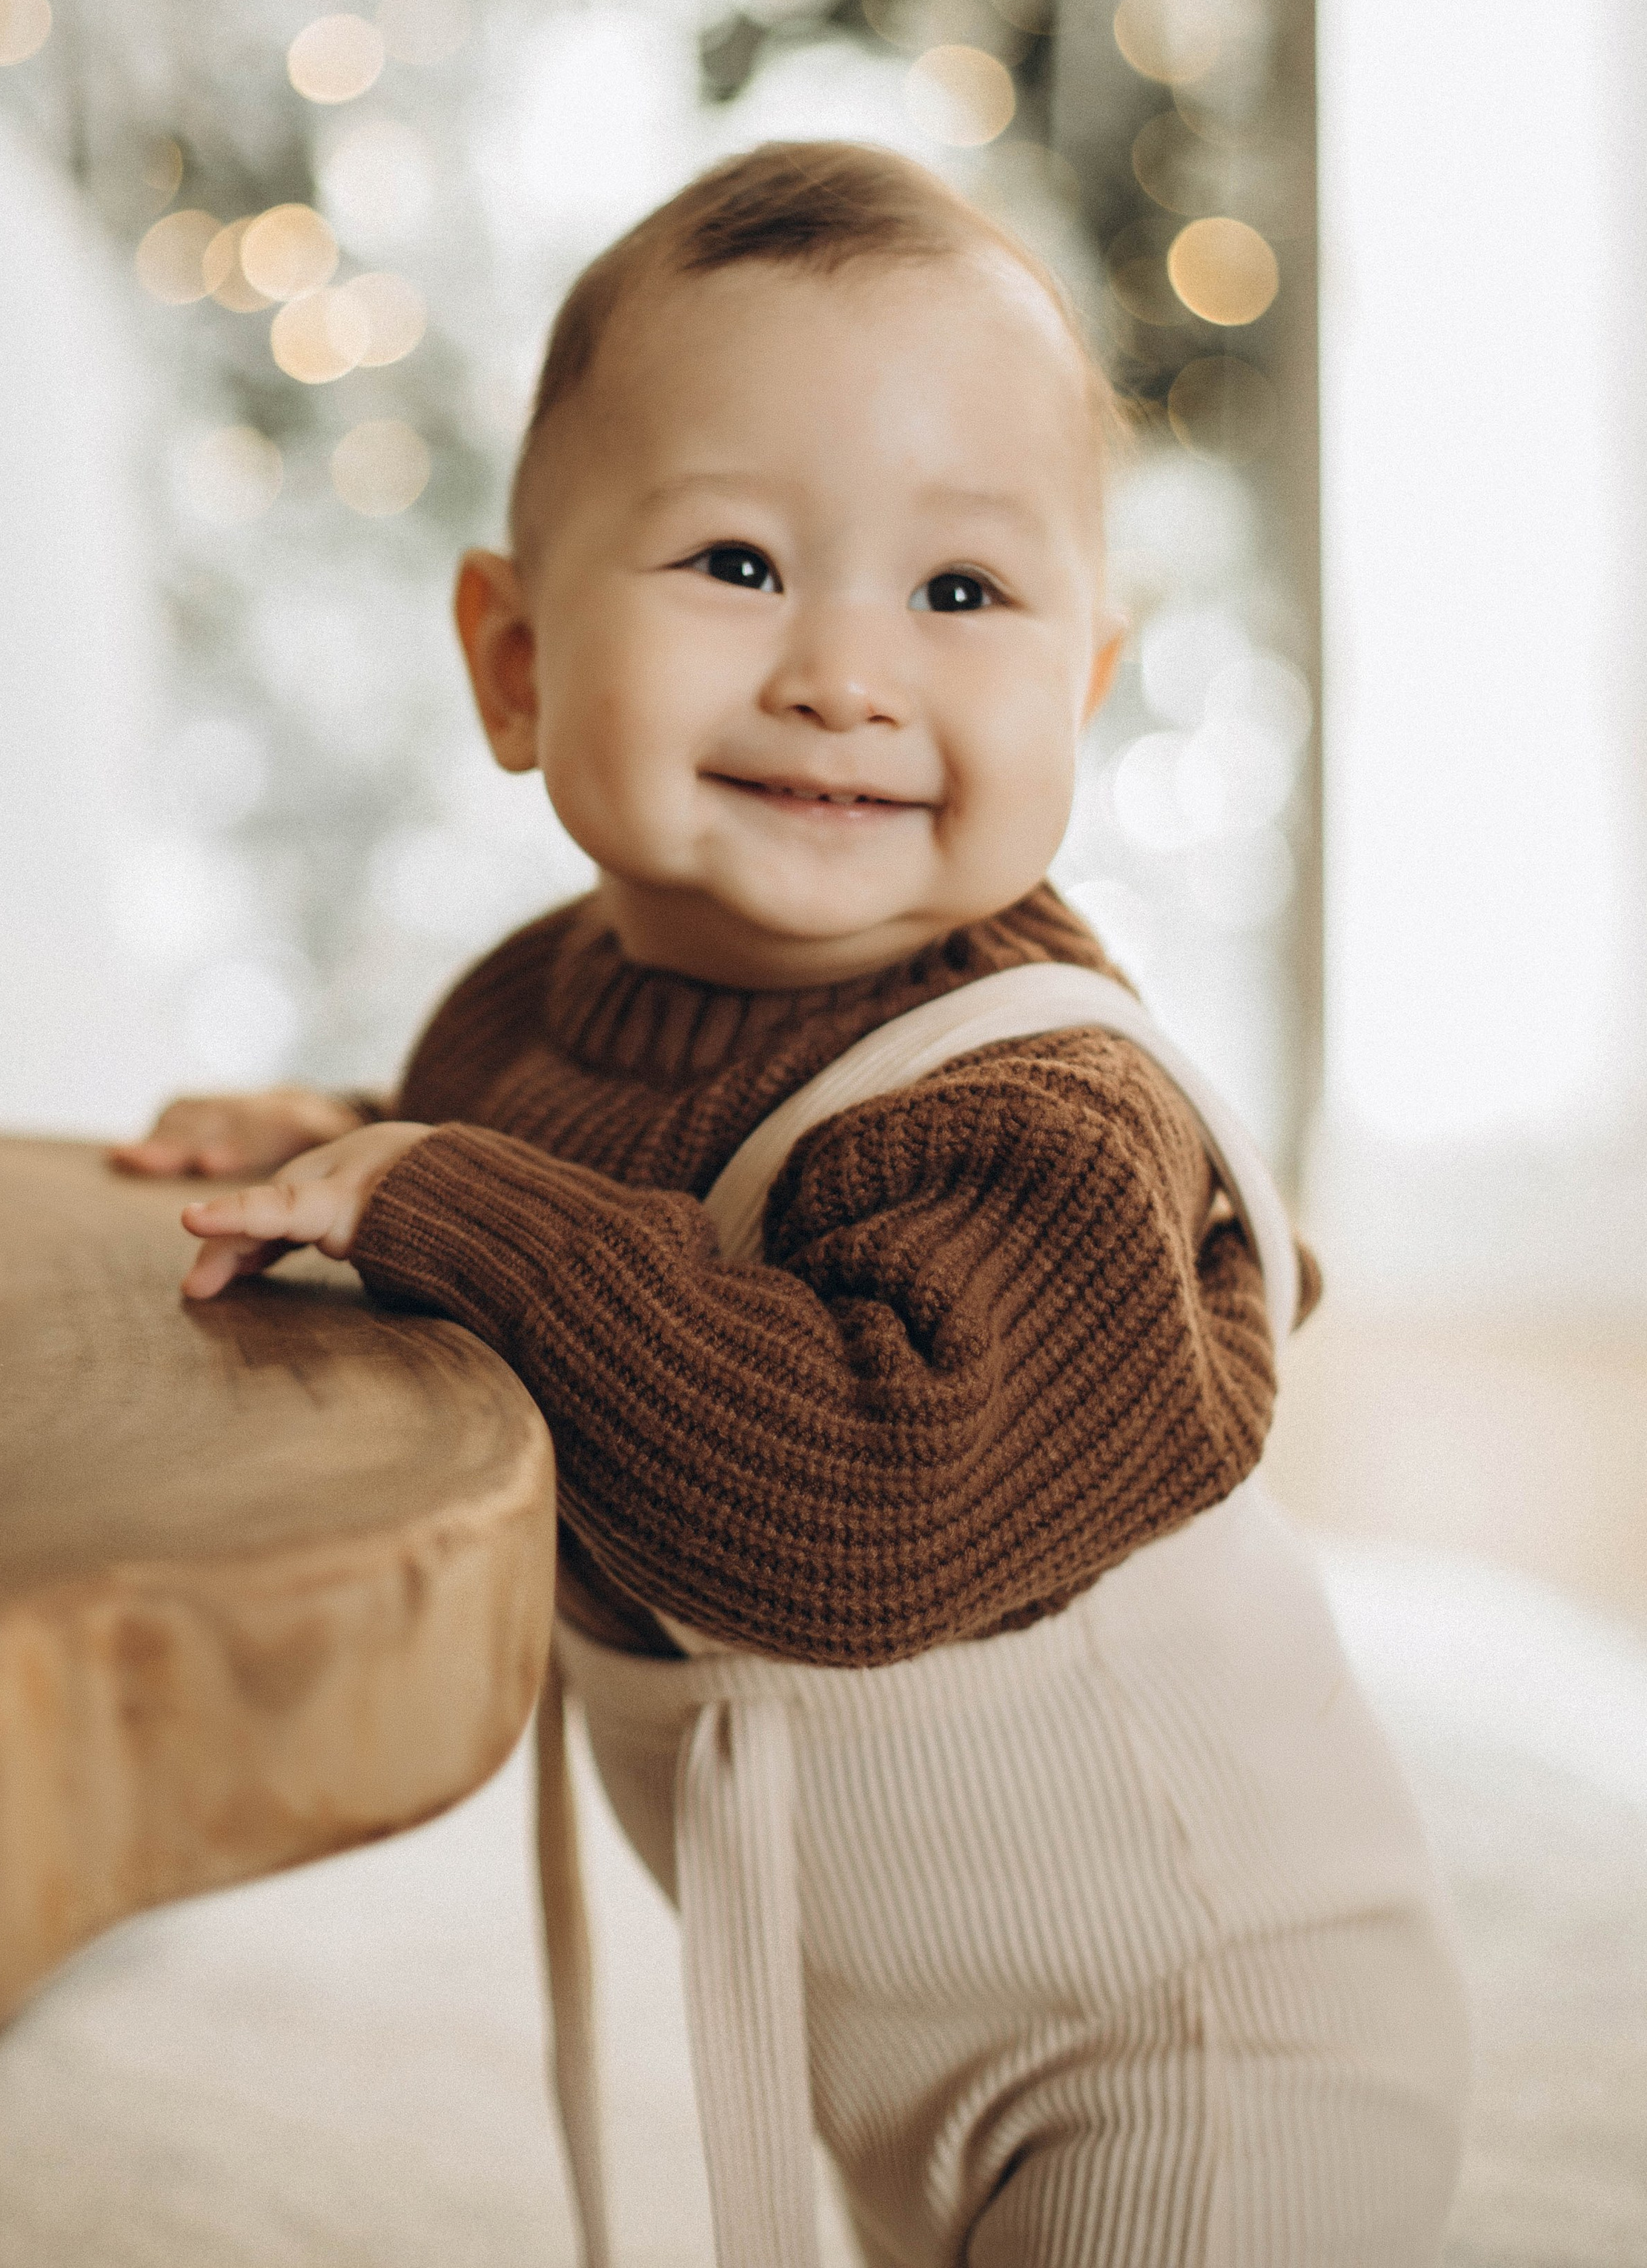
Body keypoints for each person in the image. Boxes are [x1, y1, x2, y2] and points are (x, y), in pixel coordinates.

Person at [113, 142, 1469, 2268]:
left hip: (1202, 2040)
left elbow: (869, 1503)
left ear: (1080, 692)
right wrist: (351, 1145)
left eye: (958, 594)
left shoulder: (1049, 1121)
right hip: (881, 2044)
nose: (847, 671)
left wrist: (462, 1201)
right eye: (737, 563)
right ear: (513, 660)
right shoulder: (536, 1010)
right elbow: (606, 1184)